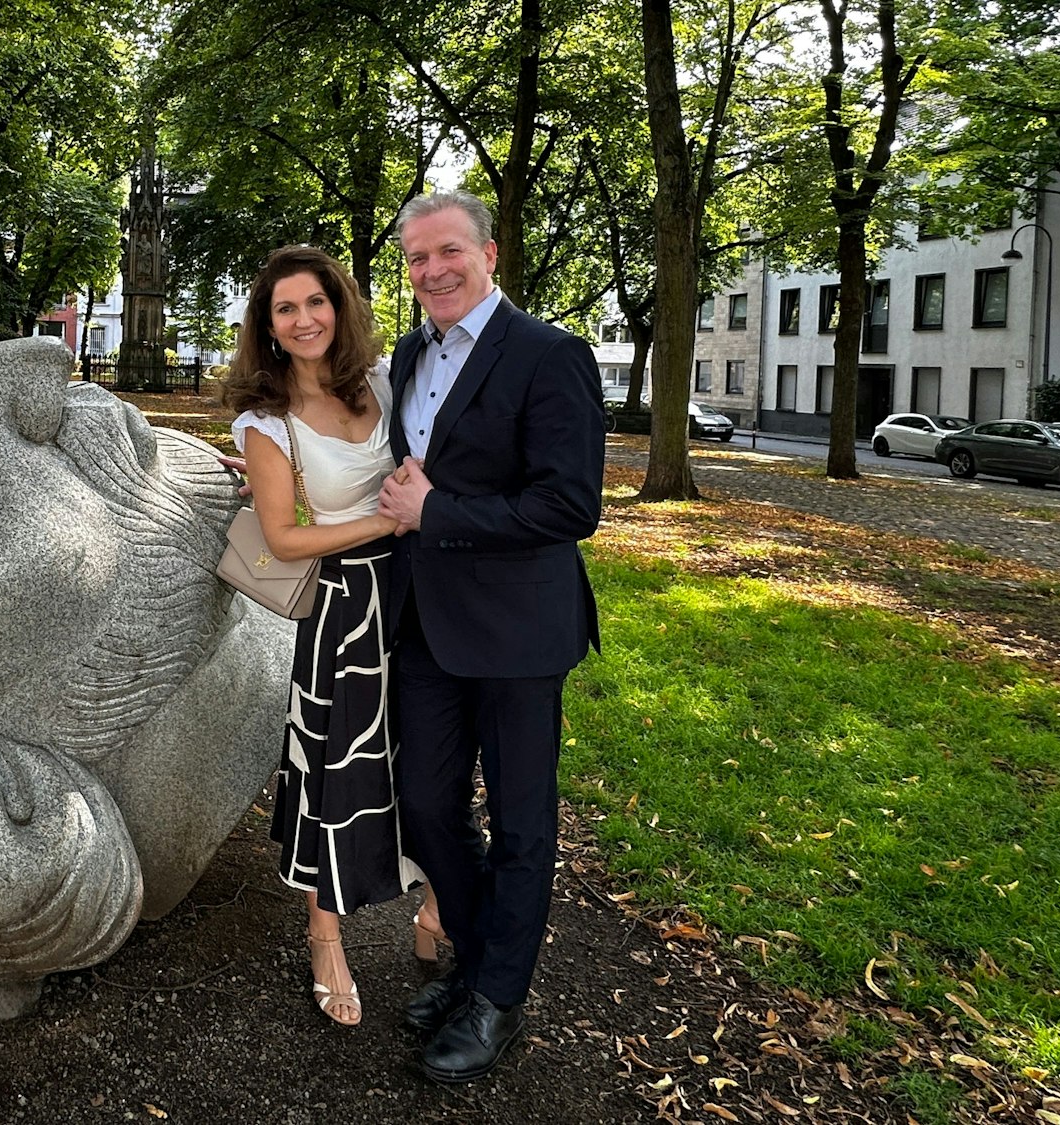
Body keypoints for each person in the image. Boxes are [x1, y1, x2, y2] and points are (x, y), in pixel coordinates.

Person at [376, 192, 605, 1083]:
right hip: (427, 623)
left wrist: (441, 512)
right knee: (426, 805)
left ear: (490, 253)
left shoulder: (551, 355)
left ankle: (499, 999)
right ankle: (475, 961)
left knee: (519, 824)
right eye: (416, 258)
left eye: (448, 252)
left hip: (518, 630)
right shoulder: (407, 352)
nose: (431, 270)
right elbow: (394, 474)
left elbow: (569, 503)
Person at [221, 245, 439, 1028]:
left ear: (338, 306)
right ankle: (324, 935)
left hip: (419, 594)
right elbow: (281, 539)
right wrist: (387, 518)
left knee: (431, 750)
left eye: (316, 301)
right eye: (286, 309)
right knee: (342, 767)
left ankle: (436, 898)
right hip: (346, 607)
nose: (304, 318)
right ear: (269, 326)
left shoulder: (383, 382)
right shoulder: (267, 420)